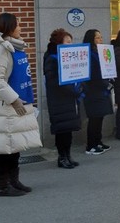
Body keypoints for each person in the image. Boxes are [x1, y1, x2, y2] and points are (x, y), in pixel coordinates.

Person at [0, 13, 42, 196]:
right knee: (3, 147)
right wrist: (14, 100)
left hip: (14, 104)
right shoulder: (0, 49)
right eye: (18, 25)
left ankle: (14, 181)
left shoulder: (12, 47)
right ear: (9, 27)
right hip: (5, 105)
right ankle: (3, 186)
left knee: (14, 144)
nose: (21, 28)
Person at [43, 28, 82, 169]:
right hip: (58, 100)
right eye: (68, 42)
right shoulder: (51, 58)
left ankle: (68, 155)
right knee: (61, 131)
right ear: (59, 43)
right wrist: (73, 90)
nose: (70, 45)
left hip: (69, 99)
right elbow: (54, 81)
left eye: (71, 42)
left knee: (68, 130)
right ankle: (62, 157)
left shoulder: (68, 57)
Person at [82, 29, 114, 154]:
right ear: (91, 39)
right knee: (94, 118)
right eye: (97, 38)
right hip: (93, 90)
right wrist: (104, 83)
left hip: (102, 90)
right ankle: (91, 145)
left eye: (101, 37)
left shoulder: (100, 52)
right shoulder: (89, 54)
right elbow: (93, 74)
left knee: (100, 117)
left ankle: (98, 141)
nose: (100, 40)